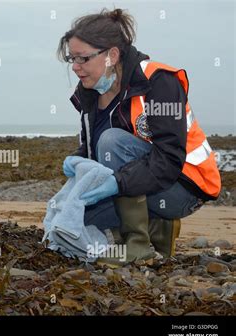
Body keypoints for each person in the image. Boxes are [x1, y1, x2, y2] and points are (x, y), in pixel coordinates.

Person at [57, 8, 221, 265]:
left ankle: (139, 244)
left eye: (83, 59)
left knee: (113, 141)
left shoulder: (159, 81)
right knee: (71, 223)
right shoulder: (90, 90)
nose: (76, 67)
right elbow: (93, 150)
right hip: (134, 188)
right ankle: (157, 230)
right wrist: (78, 163)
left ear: (111, 55)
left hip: (182, 187)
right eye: (71, 59)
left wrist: (118, 183)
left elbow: (167, 160)